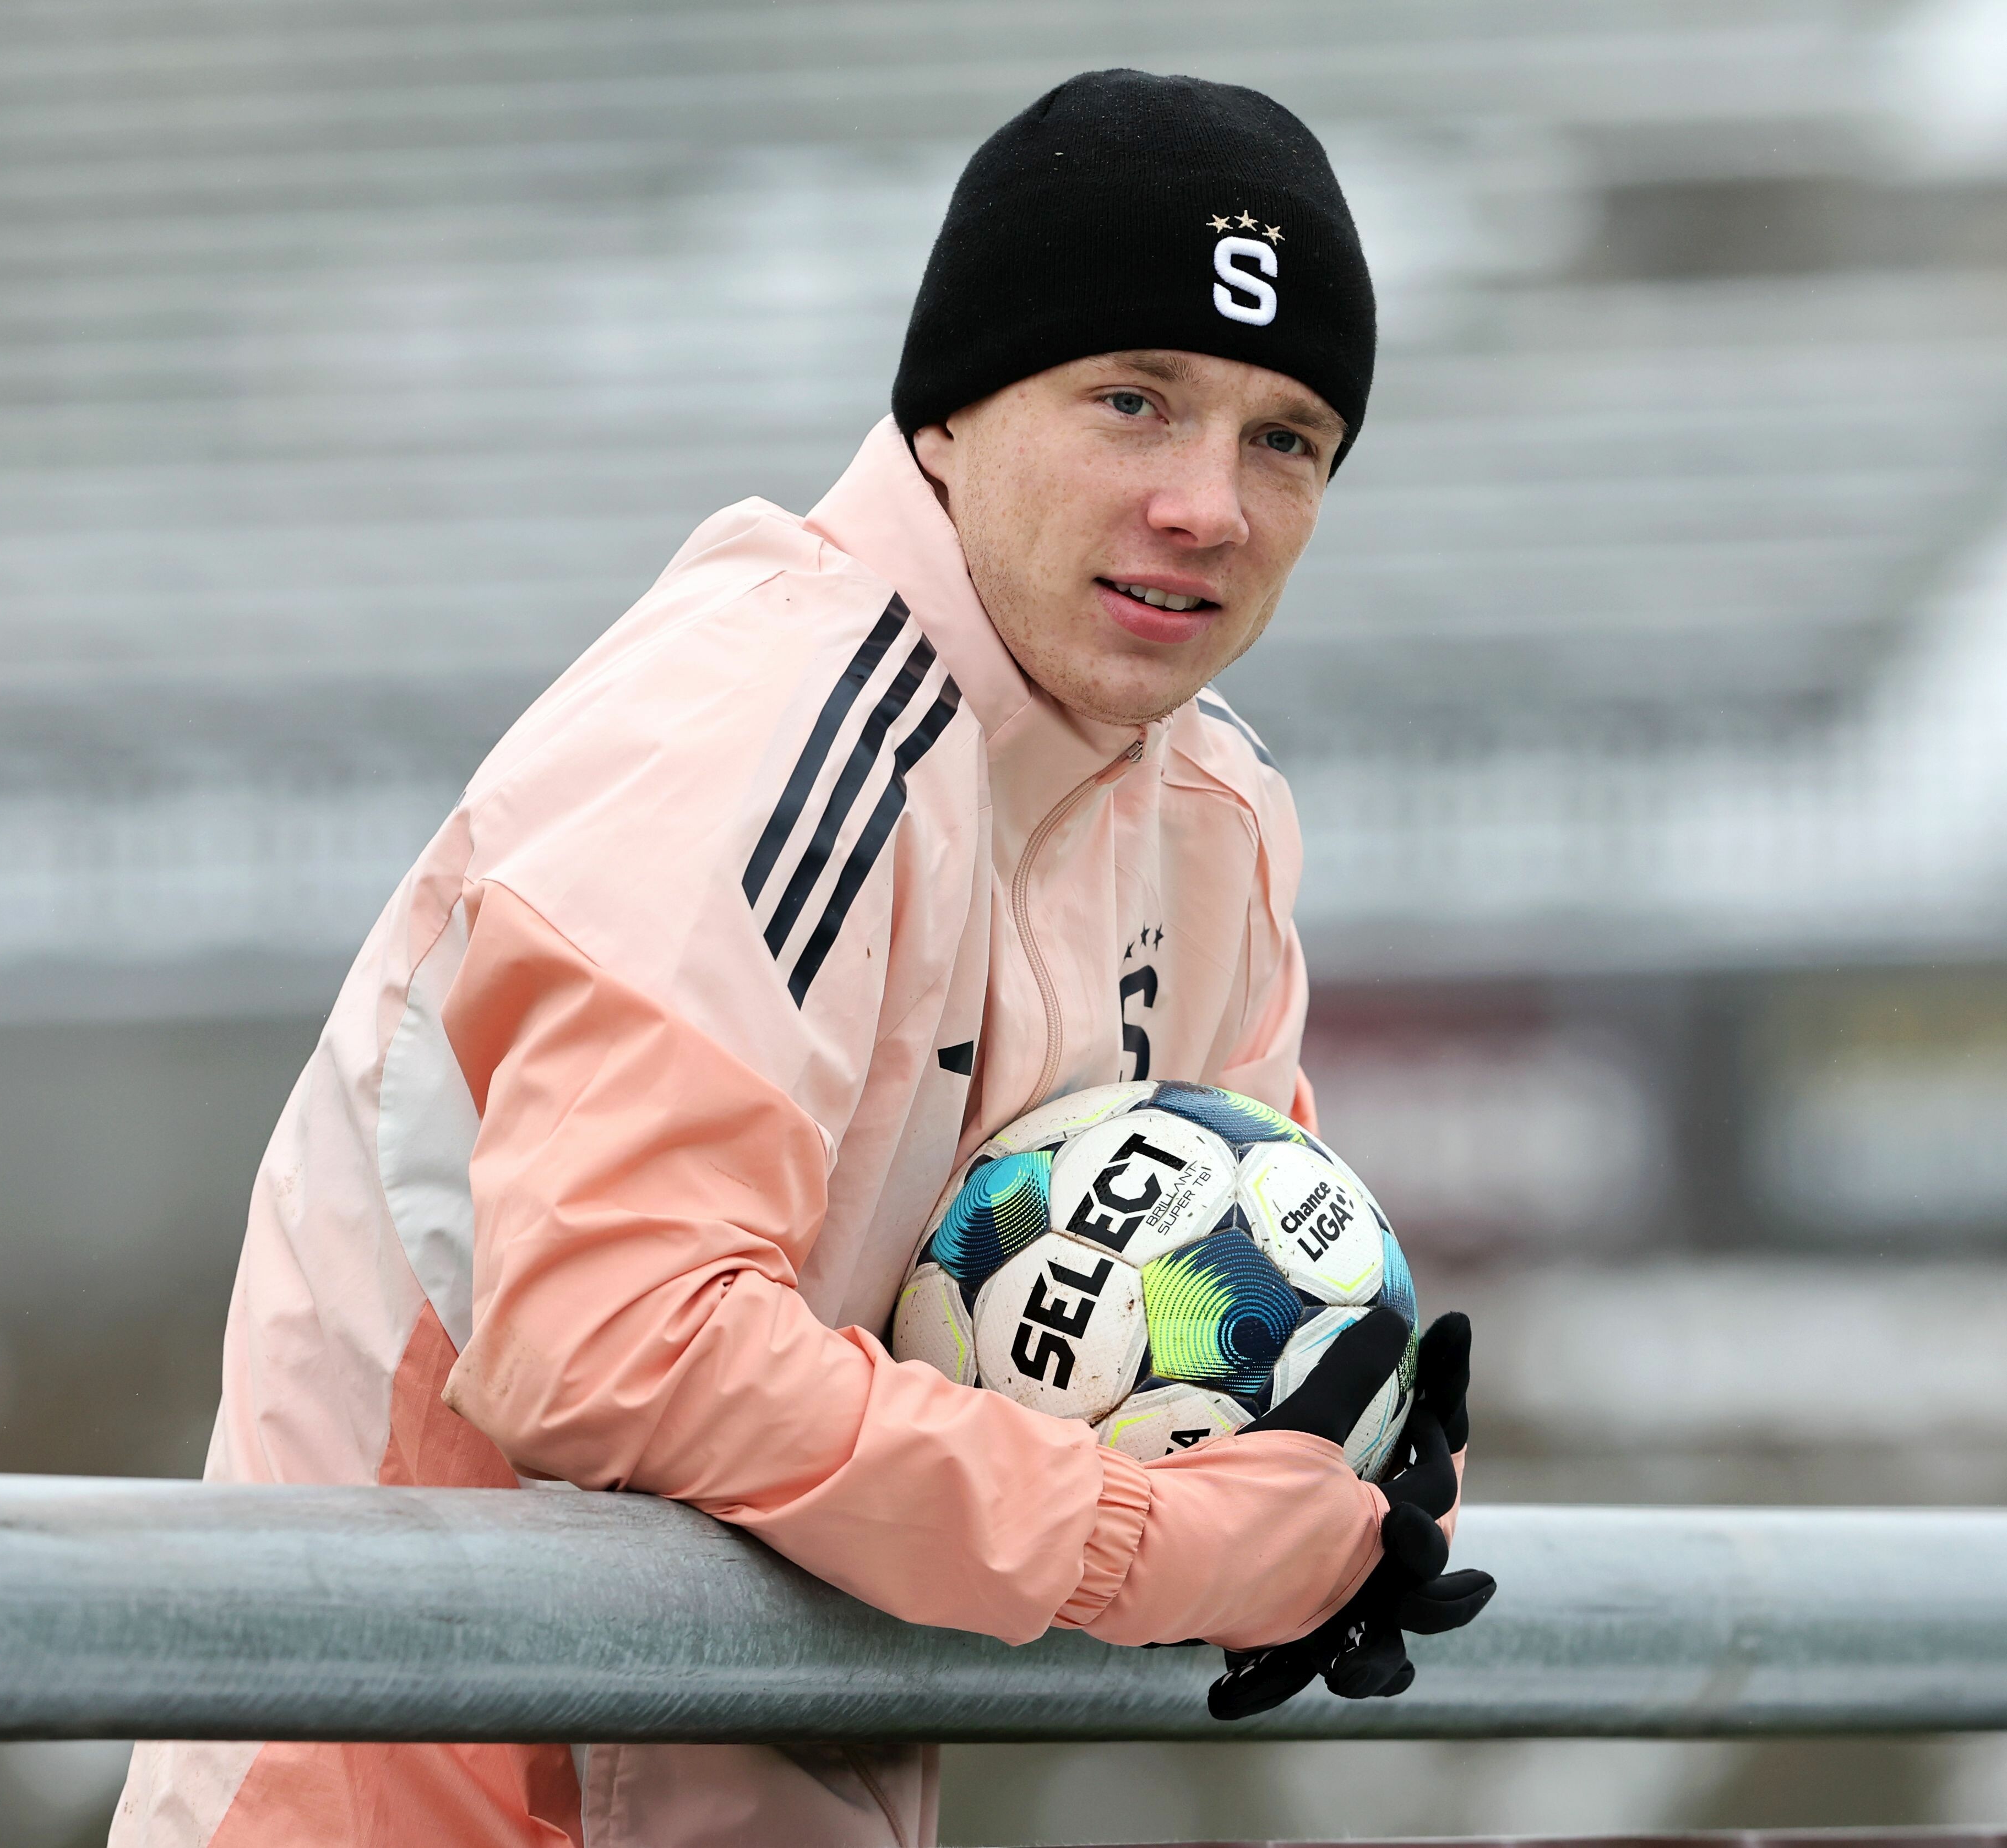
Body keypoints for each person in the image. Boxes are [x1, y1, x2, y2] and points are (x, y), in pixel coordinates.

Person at [112, 67, 1489, 1848]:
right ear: (950, 411)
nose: (1205, 503)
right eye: (1131, 400)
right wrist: (1150, 1539)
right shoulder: (774, 719)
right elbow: (608, 1338)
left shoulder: (1207, 815)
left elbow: (1210, 1309)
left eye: (1283, 438)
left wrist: (1343, 1455)